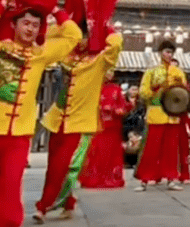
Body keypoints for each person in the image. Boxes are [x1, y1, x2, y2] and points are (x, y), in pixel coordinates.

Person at [0, 2, 82, 227]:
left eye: (36, 25)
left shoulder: (41, 55)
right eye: (26, 23)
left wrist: (55, 11)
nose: (30, 29)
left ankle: (6, 223)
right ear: (14, 24)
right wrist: (0, 6)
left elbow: (73, 36)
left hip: (19, 132)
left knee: (10, 183)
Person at [33, 26, 123, 222]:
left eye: (87, 36)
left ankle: (44, 206)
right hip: (58, 121)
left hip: (81, 123)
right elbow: (47, 37)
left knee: (67, 166)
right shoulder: (66, 56)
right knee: (54, 166)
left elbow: (116, 44)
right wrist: (67, 22)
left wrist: (102, 24)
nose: (82, 40)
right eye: (80, 35)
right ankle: (68, 203)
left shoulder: (100, 61)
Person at [134, 40, 189, 192]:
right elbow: (143, 93)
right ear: (160, 53)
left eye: (171, 52)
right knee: (150, 148)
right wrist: (155, 90)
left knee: (171, 150)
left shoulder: (178, 72)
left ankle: (171, 178)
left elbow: (184, 91)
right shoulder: (151, 72)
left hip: (172, 115)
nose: (168, 55)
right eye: (166, 52)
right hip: (156, 113)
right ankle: (144, 180)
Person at [79, 70, 132, 189]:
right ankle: (94, 179)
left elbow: (122, 107)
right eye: (106, 71)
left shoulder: (116, 89)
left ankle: (111, 178)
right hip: (97, 126)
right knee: (96, 153)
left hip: (113, 127)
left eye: (111, 71)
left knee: (111, 153)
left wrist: (114, 110)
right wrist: (101, 108)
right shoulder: (93, 87)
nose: (109, 74)